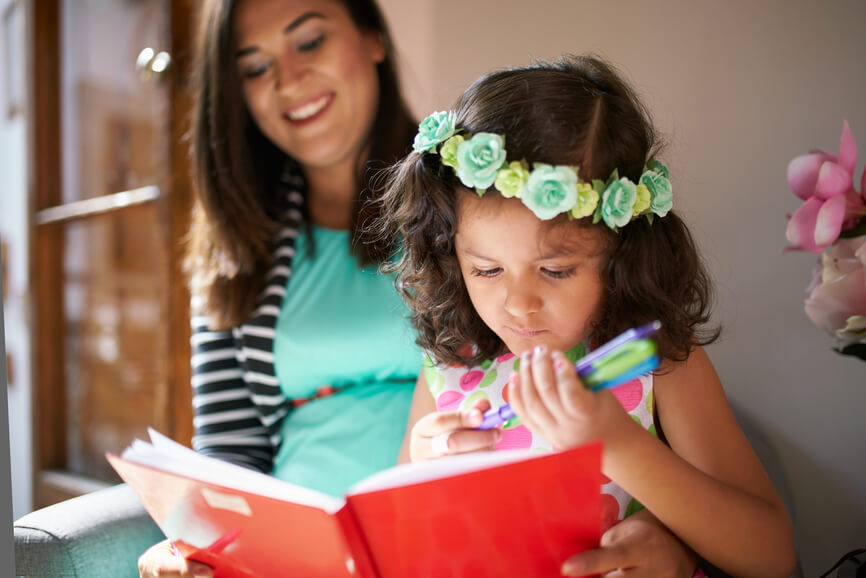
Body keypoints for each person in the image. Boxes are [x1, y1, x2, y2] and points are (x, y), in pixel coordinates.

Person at [136, 0, 704, 574]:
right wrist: (196, 543)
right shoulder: (238, 257)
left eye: (309, 42)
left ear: (372, 38)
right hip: (304, 553)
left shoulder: (480, 198)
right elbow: (228, 458)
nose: (288, 80)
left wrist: (676, 540)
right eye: (255, 68)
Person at [379, 54, 797, 577]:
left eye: (554, 270)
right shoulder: (452, 367)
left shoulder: (657, 362)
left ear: (623, 254)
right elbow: (393, 545)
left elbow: (773, 556)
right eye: (486, 270)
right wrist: (424, 464)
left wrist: (617, 444)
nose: (518, 303)